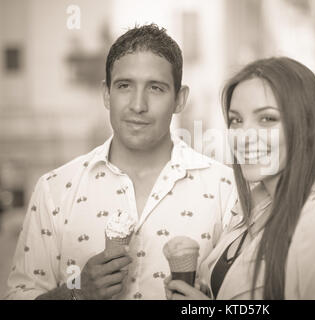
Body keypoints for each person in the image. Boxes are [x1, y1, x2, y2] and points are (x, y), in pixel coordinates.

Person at [5, 24, 236, 300]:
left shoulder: (227, 190)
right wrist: (76, 291)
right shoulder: (55, 190)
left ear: (180, 99)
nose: (138, 105)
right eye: (124, 86)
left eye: (156, 88)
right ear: (106, 94)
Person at [165, 57, 315, 299]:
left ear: (305, 124)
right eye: (236, 120)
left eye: (267, 119)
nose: (244, 136)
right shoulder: (254, 202)